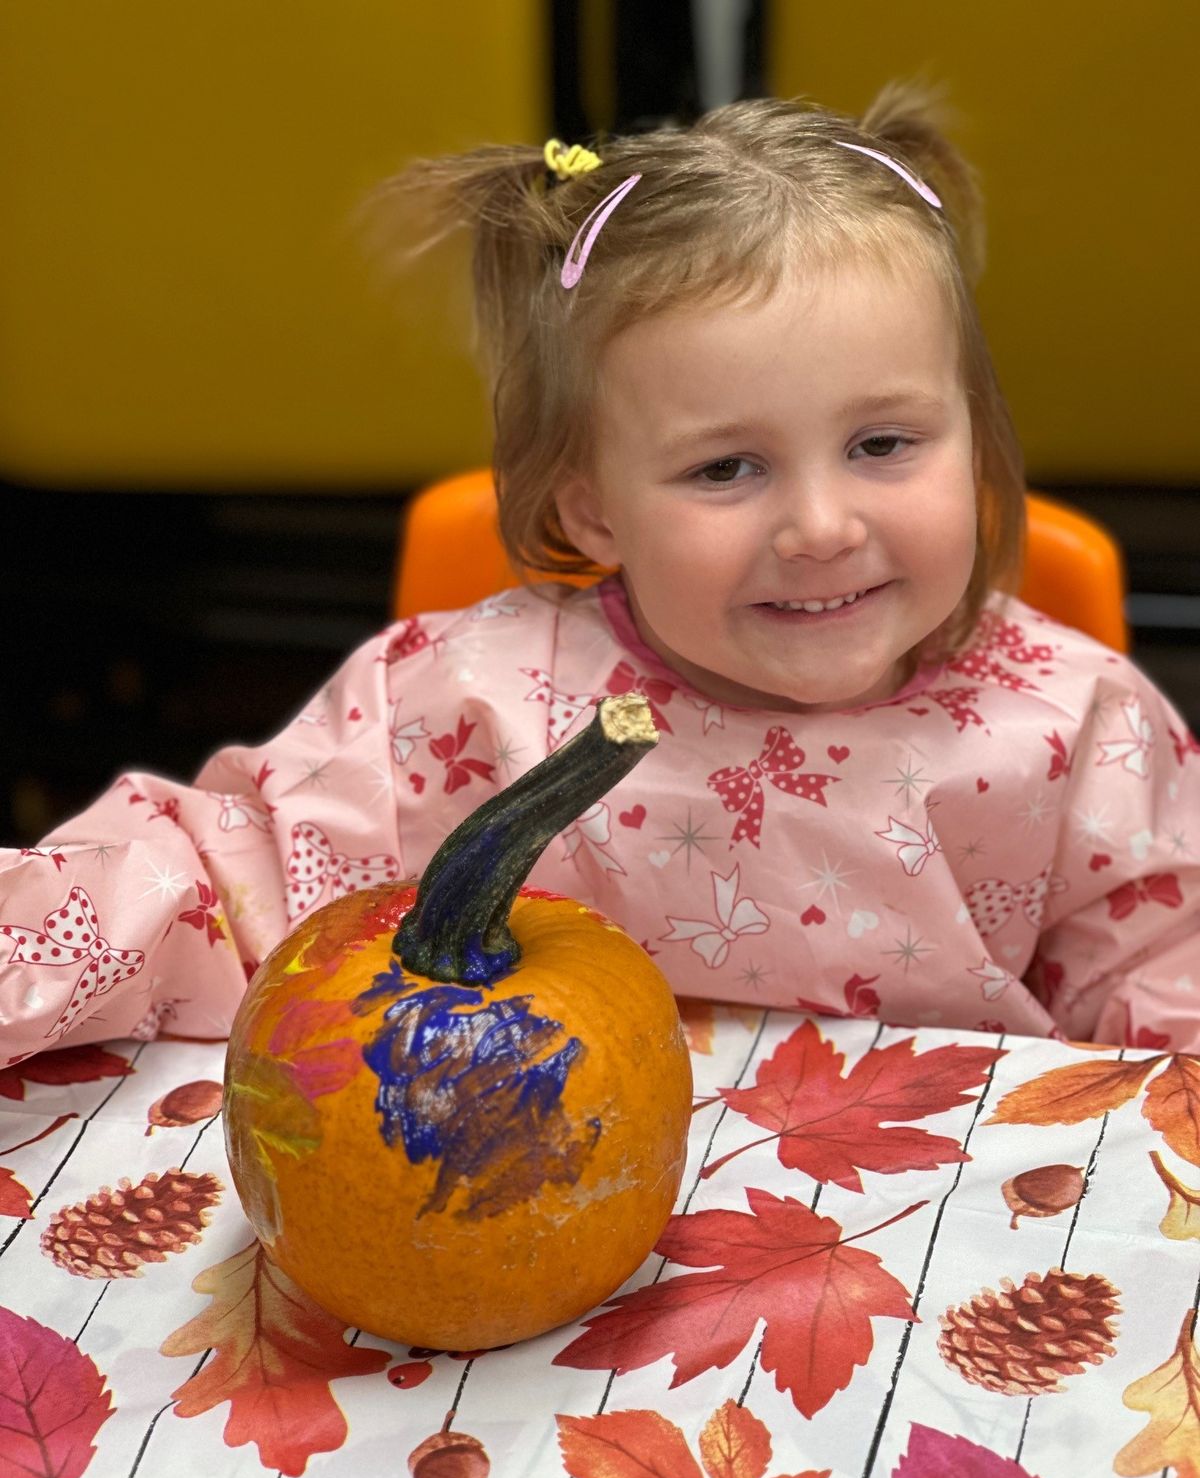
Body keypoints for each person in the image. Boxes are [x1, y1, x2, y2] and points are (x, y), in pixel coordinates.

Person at [3, 84, 1197, 1071]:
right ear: (592, 504)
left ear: (977, 441)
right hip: (514, 1236)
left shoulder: (1076, 727)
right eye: (727, 468)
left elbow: (1170, 978)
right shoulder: (466, 713)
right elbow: (221, 885)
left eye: (884, 445)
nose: (823, 526)